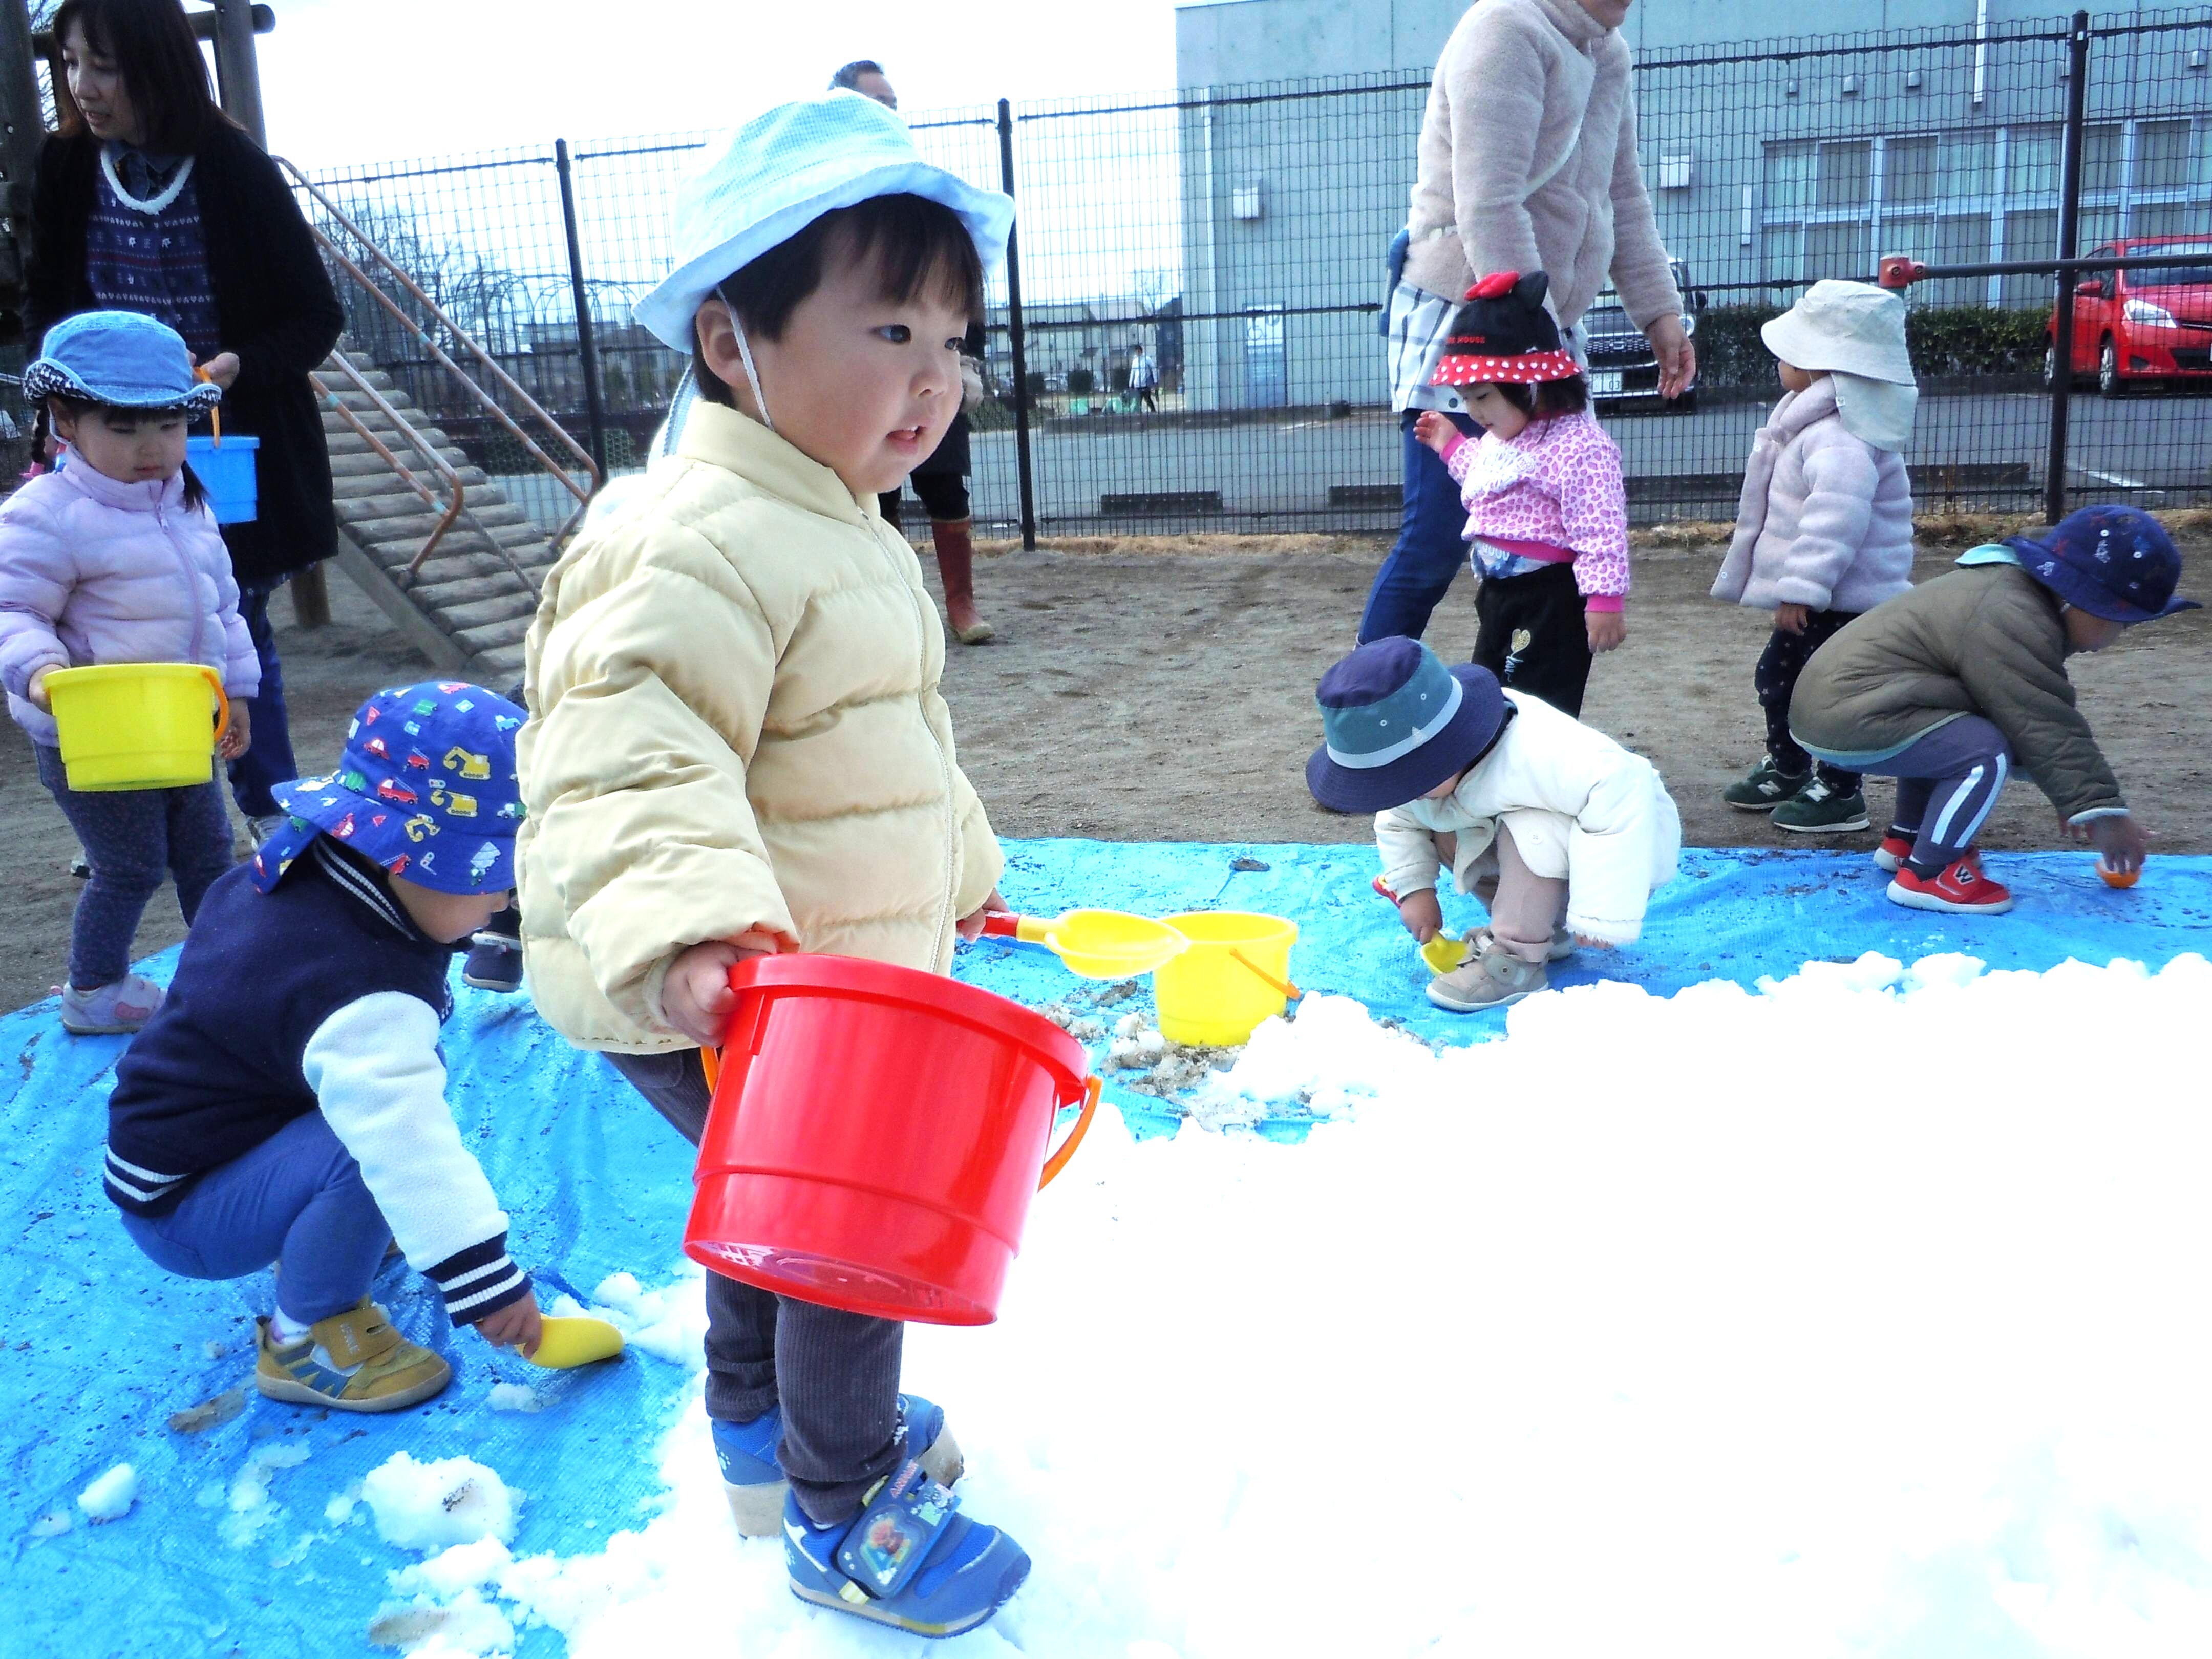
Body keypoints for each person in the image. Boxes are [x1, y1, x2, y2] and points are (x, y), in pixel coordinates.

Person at [518, 94, 1027, 1639]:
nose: (934, 380)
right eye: (891, 331)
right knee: (850, 1228)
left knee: (777, 1202)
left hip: (822, 979)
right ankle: (843, 1502)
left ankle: (764, 1435)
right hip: (723, 973)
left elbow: (888, 740)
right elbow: (633, 743)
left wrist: (959, 870)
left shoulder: (840, 515)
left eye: (954, 340)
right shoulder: (692, 529)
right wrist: (692, 932)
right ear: (735, 345)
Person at [101, 681, 544, 1411]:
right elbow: (405, 1144)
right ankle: (306, 1337)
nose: (502, 901)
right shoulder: (361, 988)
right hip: (183, 1212)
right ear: (410, 859)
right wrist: (481, 1275)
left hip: (192, 1150)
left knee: (390, 1093)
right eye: (492, 878)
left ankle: (323, 1227)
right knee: (367, 1142)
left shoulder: (297, 877)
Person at [29, 0, 347, 844]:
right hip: (103, 452)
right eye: (69, 64)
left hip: (221, 448)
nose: (82, 86)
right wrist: (62, 404)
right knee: (107, 622)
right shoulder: (66, 169)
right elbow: (48, 308)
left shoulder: (234, 167)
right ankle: (130, 816)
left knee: (231, 617)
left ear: (158, 65)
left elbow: (316, 316)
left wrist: (241, 365)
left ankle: (269, 810)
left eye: (104, 66)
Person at [1364, 0, 1690, 646]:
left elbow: (1621, 197)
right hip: (1468, 316)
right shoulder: (1505, 29)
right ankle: (1368, 710)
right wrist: (1533, 347)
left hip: (1546, 323)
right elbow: (1488, 201)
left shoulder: (1608, 52)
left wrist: (1660, 313)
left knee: (1557, 537)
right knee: (1436, 539)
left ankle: (1540, 714)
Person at [0, 311, 252, 1035]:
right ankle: (95, 990)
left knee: (210, 854)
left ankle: (231, 969)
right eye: (124, 427)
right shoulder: (47, 513)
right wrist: (41, 672)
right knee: (132, 865)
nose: (153, 448)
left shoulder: (187, 506)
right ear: (66, 421)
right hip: (94, 735)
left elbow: (223, 609)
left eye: (170, 426)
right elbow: (12, 608)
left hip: (177, 727)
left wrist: (237, 692)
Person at [1788, 505, 2195, 915]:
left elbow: (2017, 711)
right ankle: (1929, 873)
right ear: (2082, 596)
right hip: (1847, 712)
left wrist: (2074, 799)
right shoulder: (2012, 613)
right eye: (2119, 620)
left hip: (1846, 704)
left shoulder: (2014, 594)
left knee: (1952, 734)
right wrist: (2102, 811)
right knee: (1981, 751)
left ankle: (1908, 841)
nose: (2119, 635)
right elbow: (2043, 719)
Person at [1308, 636, 1680, 1012]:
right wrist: (1414, 890)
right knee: (1442, 824)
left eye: (1406, 778)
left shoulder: (1539, 752)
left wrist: (1603, 910)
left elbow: (1623, 788)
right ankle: (1546, 930)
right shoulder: (1427, 783)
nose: (1403, 791)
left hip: (1627, 844)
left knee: (1532, 824)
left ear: (1447, 747)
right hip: (1535, 850)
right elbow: (1397, 821)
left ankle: (1515, 961)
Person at [1713, 281, 1920, 835]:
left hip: (1842, 602)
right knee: (1779, 678)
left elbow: (1837, 517)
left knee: (1830, 693)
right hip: (1829, 599)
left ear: (1820, 365)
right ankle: (1789, 767)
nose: (1780, 360)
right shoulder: (1817, 421)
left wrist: (1802, 588)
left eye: (1790, 352)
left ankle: (1840, 788)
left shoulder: (1842, 437)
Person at [1413, 270, 1626, 718]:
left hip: (1549, 598)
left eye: (1484, 397)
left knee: (1537, 705)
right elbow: (1488, 481)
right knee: (1489, 691)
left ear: (1532, 383)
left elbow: (1600, 527)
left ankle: (1536, 783)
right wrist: (1451, 444)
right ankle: (1497, 775)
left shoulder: (1579, 445)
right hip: (1497, 593)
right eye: (1466, 398)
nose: (1474, 411)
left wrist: (1604, 599)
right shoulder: (1504, 437)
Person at [880, 316, 995, 644]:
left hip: (938, 370)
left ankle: (962, 603)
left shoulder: (948, 264)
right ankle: (898, 604)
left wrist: (968, 359)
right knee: (878, 493)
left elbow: (966, 301)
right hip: (876, 367)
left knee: (947, 488)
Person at [1129, 341, 1160, 412]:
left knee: (1148, 400)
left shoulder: (1147, 359)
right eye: (1137, 352)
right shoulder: (1135, 361)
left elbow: (1153, 369)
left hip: (1145, 384)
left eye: (1139, 352)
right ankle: (1139, 415)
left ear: (1141, 351)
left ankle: (1153, 411)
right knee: (1138, 402)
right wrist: (1130, 384)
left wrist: (1155, 381)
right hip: (1137, 385)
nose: (1138, 353)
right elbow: (1132, 373)